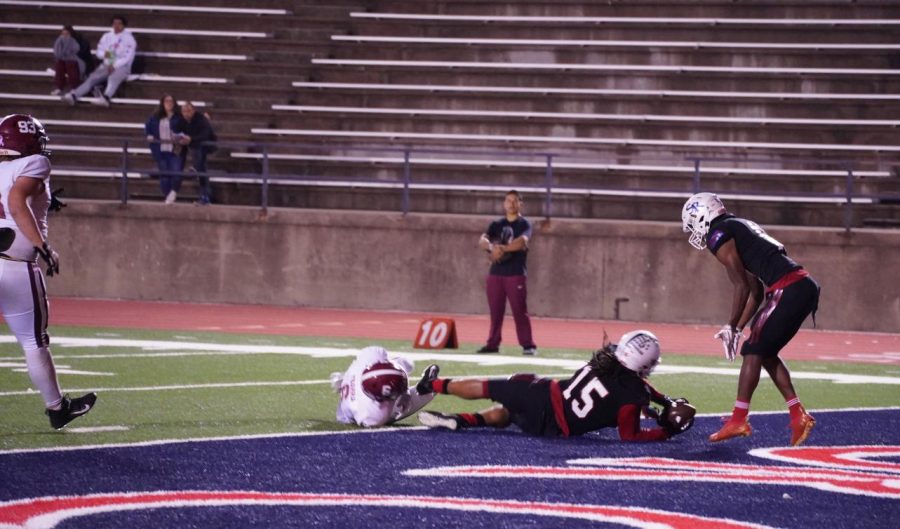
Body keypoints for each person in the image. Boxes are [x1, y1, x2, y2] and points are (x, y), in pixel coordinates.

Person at [681, 192, 819, 446]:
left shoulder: (719, 233)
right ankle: (797, 414)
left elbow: (742, 287)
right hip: (800, 285)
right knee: (764, 351)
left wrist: (732, 325)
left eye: (693, 222)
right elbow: (755, 291)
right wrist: (737, 327)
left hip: (788, 287)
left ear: (702, 215)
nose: (695, 231)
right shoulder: (738, 225)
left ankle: (738, 419)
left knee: (753, 349)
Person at [417, 330, 695, 442]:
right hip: (552, 428)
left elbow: (638, 392)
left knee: (489, 387)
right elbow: (630, 435)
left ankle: (433, 384)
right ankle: (460, 421)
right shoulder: (633, 395)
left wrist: (659, 402)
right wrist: (666, 430)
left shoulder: (604, 360)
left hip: (544, 395)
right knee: (508, 415)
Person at [0, 114, 98, 430]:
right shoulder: (37, 163)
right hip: (14, 264)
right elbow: (16, 202)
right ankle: (57, 408)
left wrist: (45, 199)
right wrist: (43, 246)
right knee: (33, 341)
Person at [476, 189, 538, 355]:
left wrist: (500, 249)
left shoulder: (524, 224)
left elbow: (521, 242)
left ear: (520, 204)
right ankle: (492, 344)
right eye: (508, 201)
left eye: (514, 201)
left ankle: (528, 344)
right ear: (504, 203)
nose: (511, 204)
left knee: (519, 311)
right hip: (496, 273)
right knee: (495, 312)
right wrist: (491, 248)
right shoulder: (496, 224)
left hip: (515, 273)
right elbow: (483, 241)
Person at [331, 346, 436, 427]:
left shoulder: (371, 357)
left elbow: (387, 369)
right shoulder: (369, 413)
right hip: (349, 415)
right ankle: (427, 389)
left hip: (353, 380)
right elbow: (376, 419)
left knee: (402, 365)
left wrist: (404, 390)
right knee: (401, 407)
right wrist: (405, 395)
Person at [62, 14, 136, 108]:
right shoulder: (106, 36)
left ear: (124, 25)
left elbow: (127, 57)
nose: (116, 26)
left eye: (119, 24)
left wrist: (114, 65)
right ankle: (74, 95)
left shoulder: (129, 39)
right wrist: (109, 59)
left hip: (122, 67)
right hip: (106, 64)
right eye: (114, 23)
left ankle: (106, 98)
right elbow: (99, 52)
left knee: (113, 78)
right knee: (92, 78)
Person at [145, 94, 185, 204]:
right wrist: (149, 135)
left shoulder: (179, 117)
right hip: (160, 149)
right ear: (162, 103)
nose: (169, 103)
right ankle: (167, 196)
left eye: (171, 101)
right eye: (167, 101)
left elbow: (184, 129)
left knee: (177, 173)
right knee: (164, 175)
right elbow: (148, 128)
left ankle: (173, 192)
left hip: (175, 149)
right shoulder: (155, 117)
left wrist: (180, 136)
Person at [174, 102, 216, 205]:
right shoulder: (181, 120)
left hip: (205, 145)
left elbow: (205, 135)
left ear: (193, 111)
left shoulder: (201, 120)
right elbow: (176, 130)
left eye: (188, 111)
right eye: (184, 111)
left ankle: (205, 195)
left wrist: (191, 139)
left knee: (201, 167)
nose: (186, 114)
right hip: (192, 144)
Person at [51, 26, 83, 96]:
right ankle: (59, 87)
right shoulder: (59, 41)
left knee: (71, 64)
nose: (65, 35)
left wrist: (66, 53)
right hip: (62, 60)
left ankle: (74, 87)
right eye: (63, 34)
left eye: (67, 34)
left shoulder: (73, 41)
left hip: (73, 60)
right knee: (59, 64)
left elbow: (76, 50)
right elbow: (57, 52)